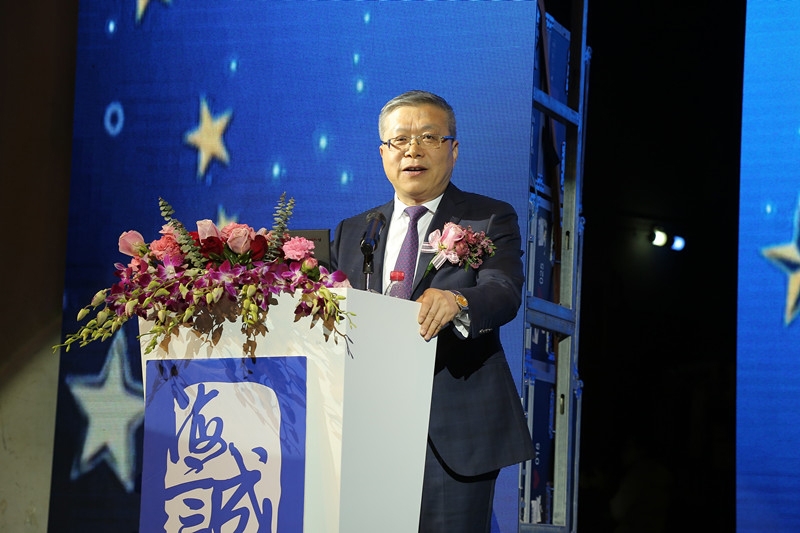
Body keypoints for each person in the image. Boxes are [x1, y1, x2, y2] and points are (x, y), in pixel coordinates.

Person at [330, 90, 534, 532]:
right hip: (368, 430)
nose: (413, 150)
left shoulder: (488, 218)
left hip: (453, 429)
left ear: (453, 150)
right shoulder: (353, 231)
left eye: (428, 137)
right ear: (383, 153)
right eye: (399, 140)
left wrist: (458, 301)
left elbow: (502, 291)